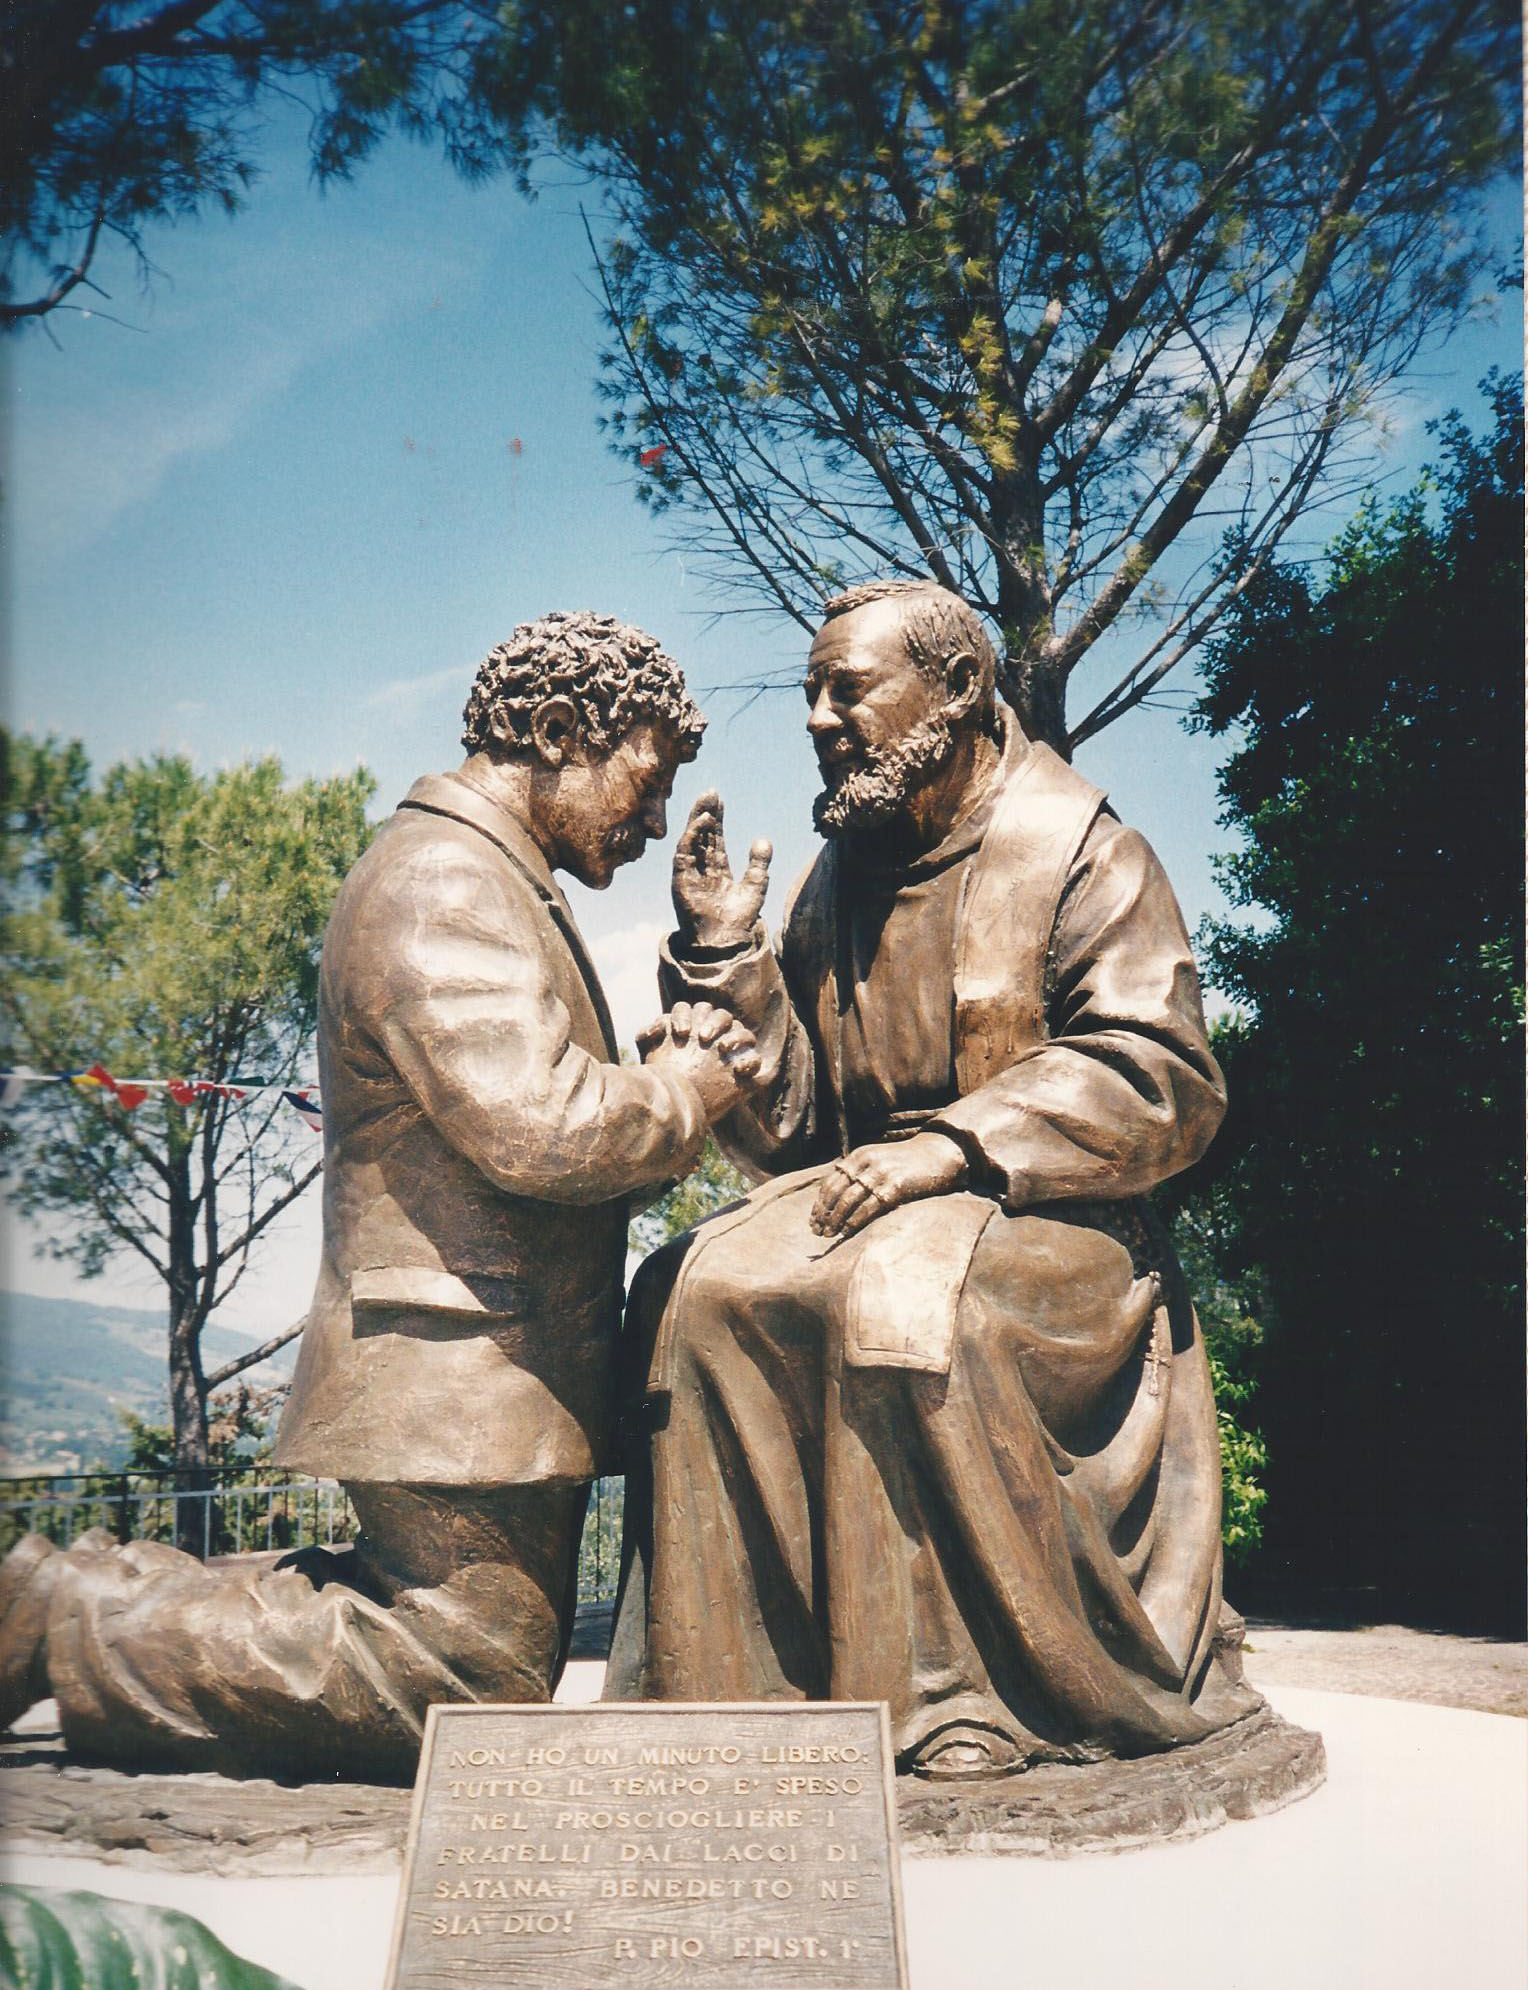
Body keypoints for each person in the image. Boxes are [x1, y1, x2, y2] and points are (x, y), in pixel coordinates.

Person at [0, 612, 757, 1782]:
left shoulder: (490, 875)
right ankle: (66, 1613)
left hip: (490, 1364)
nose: (655, 818)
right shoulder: (444, 877)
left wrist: (661, 1067)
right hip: (455, 1366)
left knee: (442, 1642)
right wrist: (685, 1089)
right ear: (558, 732)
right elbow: (540, 1128)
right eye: (646, 781)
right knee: (460, 1674)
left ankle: (100, 1594)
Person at [607, 580, 1261, 1779]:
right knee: (688, 1293)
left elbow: (1166, 1074)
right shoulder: (845, 872)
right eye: (811, 690)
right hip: (868, 1193)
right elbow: (792, 1123)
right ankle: (728, 1684)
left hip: (1055, 1212)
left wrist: (956, 1145)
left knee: (908, 1306)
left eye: (844, 687)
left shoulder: (1085, 852)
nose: (815, 715)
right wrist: (725, 955)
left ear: (956, 690)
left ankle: (948, 1693)